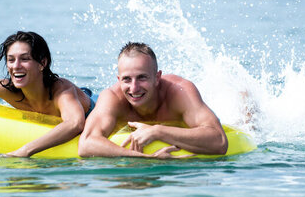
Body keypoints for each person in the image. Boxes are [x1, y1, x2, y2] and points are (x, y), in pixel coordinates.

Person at [78, 42, 228, 158]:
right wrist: (144, 157)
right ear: (119, 79)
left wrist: (157, 131)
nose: (134, 88)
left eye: (142, 77)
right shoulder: (112, 97)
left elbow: (219, 141)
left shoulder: (180, 92)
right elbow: (86, 144)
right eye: (127, 79)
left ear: (157, 78)